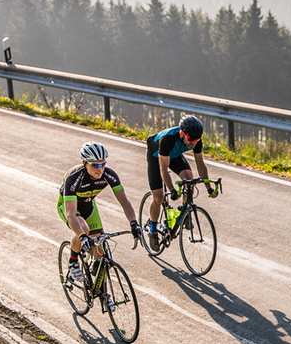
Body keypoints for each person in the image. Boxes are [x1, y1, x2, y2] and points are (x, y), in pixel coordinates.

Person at [57, 141, 142, 283]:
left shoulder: (109, 175)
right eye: (95, 165)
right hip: (69, 207)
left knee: (100, 250)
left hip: (89, 206)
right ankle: (73, 262)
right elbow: (71, 214)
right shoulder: (74, 178)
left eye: (103, 164)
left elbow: (124, 202)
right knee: (83, 229)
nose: (100, 169)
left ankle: (100, 290)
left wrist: (134, 223)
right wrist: (83, 237)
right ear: (85, 163)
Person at [145, 115, 219, 251]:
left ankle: (184, 212)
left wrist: (208, 187)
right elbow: (163, 169)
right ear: (182, 133)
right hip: (156, 156)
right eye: (190, 140)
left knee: (189, 179)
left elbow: (200, 164)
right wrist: (172, 189)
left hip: (174, 156)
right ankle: (153, 228)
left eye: (196, 140)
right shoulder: (168, 139)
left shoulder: (196, 140)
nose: (193, 144)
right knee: (159, 197)